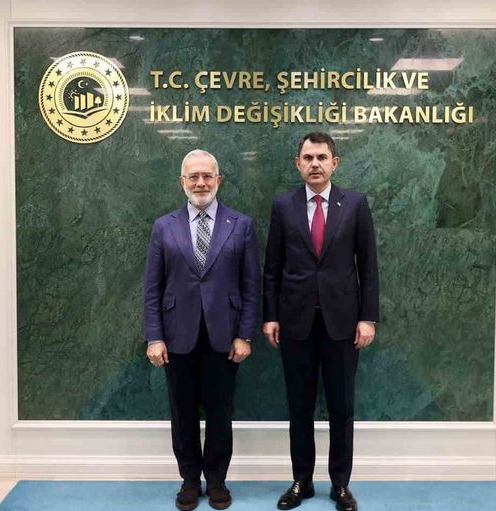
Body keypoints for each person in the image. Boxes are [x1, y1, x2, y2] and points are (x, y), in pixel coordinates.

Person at [263, 132, 379, 511]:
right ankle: (302, 481)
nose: (315, 164)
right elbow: (272, 267)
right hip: (295, 323)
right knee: (300, 407)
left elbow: (369, 266)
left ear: (334, 162)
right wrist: (270, 316)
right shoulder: (283, 206)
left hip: (343, 324)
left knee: (341, 407)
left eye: (322, 157)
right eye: (308, 157)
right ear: (298, 163)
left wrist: (367, 318)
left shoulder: (355, 204)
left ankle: (340, 484)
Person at [143, 149, 260, 511]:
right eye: (193, 176)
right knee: (183, 414)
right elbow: (153, 287)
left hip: (224, 337)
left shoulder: (241, 225)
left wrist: (244, 335)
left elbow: (251, 286)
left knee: (221, 414)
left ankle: (218, 481)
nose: (200, 183)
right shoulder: (164, 226)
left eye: (207, 176)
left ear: (218, 180)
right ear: (182, 181)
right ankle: (190, 480)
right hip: (177, 337)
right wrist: (154, 336)